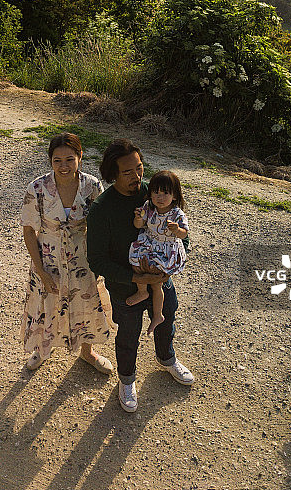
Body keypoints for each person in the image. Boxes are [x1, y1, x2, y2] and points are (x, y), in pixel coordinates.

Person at [87, 139, 194, 413]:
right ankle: (126, 380)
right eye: (128, 172)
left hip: (161, 278)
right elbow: (96, 260)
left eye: (140, 168)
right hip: (126, 286)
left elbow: (182, 232)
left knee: (167, 316)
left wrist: (171, 265)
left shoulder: (153, 192)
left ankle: (166, 358)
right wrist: (138, 280)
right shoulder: (102, 209)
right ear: (112, 174)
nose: (137, 177)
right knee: (129, 334)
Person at [20, 132, 113, 374]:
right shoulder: (38, 188)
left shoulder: (92, 186)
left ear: (80, 157)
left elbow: (102, 225)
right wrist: (40, 271)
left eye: (69, 159)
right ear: (50, 161)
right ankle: (41, 350)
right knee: (46, 302)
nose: (64, 166)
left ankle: (87, 352)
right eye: (57, 161)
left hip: (82, 254)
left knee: (87, 301)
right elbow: (29, 231)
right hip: (48, 256)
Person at [127, 171, 189, 336]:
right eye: (156, 192)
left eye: (165, 193)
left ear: (174, 195)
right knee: (135, 261)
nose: (160, 197)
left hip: (165, 248)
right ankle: (142, 292)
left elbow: (184, 234)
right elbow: (138, 224)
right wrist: (139, 219)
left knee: (156, 284)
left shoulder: (177, 213)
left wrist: (177, 229)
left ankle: (157, 315)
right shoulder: (148, 206)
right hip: (148, 242)